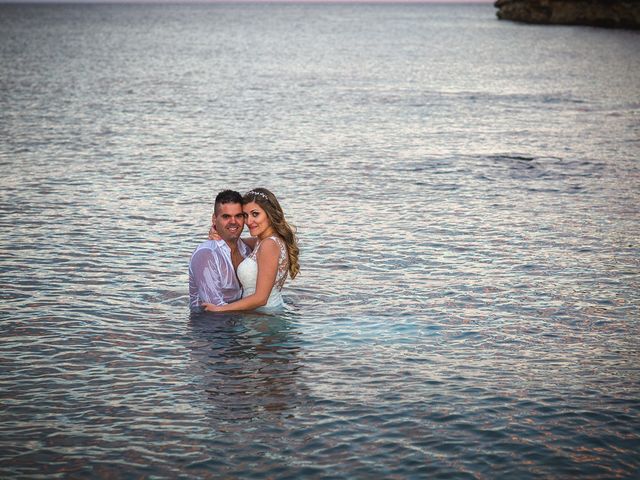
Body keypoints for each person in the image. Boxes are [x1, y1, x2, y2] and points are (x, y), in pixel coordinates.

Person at [202, 188, 299, 313]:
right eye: (245, 215)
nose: (249, 222)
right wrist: (219, 232)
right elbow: (236, 241)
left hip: (265, 319)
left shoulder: (269, 245)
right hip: (264, 314)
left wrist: (220, 309)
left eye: (255, 214)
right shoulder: (263, 241)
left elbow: (261, 298)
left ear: (269, 215)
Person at [188, 190, 254, 312]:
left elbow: (273, 241)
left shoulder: (247, 250)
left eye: (238, 216)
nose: (233, 221)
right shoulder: (206, 254)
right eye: (226, 216)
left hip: (239, 322)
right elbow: (213, 307)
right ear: (214, 219)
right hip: (208, 326)